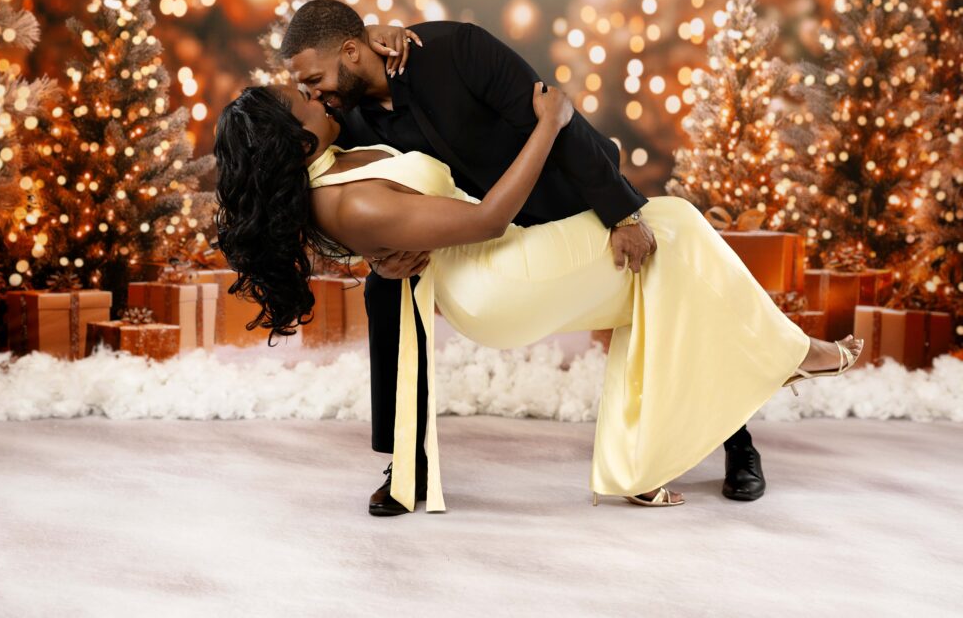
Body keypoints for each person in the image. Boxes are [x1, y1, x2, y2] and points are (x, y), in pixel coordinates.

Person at [212, 48, 865, 515]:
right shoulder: (343, 199)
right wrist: (550, 124)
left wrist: (388, 33)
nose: (318, 96)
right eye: (304, 98)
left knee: (660, 278)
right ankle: (788, 353)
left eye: (311, 85)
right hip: (497, 278)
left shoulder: (332, 152)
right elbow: (489, 219)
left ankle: (648, 463)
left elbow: (361, 71)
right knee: (677, 225)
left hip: (498, 264)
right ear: (294, 143)